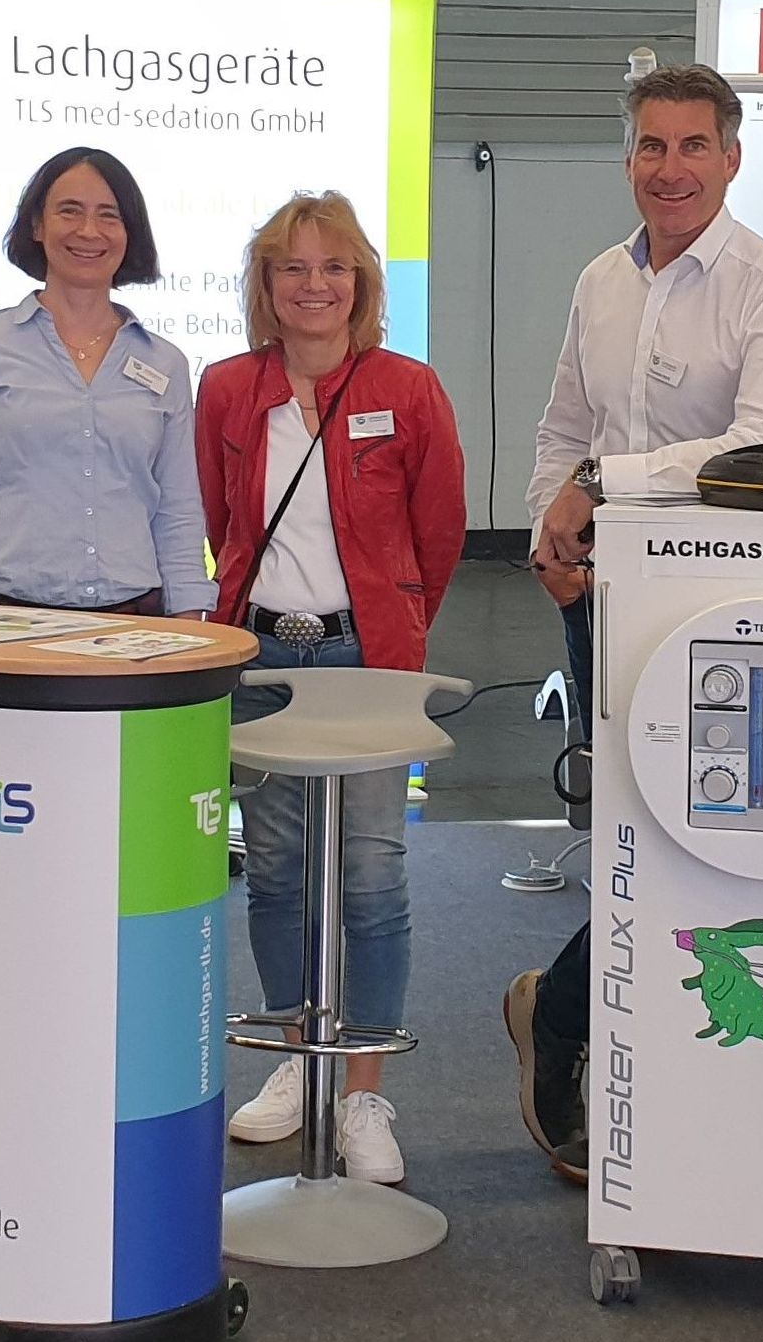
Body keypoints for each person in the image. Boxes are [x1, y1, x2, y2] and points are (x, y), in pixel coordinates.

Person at [512, 63, 763, 1185]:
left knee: (698, 849)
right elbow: (563, 427)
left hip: (718, 609)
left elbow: (762, 442)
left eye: (693, 146)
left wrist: (604, 482)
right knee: (622, 835)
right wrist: (549, 540)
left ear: (730, 159)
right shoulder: (601, 280)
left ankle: (559, 1013)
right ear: (628, 156)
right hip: (602, 600)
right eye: (652, 145)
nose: (670, 168)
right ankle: (626, 1063)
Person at [195, 192, 465, 1184]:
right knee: (274, 871)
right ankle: (294, 1060)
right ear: (266, 285)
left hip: (366, 662)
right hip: (261, 660)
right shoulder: (228, 390)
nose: (314, 286)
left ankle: (360, 1089)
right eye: (293, 268)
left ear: (362, 283)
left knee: (369, 873)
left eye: (334, 267)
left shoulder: (408, 388)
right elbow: (220, 523)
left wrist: (392, 627)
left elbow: (439, 535)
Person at [0, 148, 214, 620]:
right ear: (37, 225)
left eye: (109, 215)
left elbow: (178, 512)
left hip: (133, 626)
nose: (89, 231)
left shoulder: (165, 363)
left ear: (129, 232)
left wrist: (190, 622)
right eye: (69, 211)